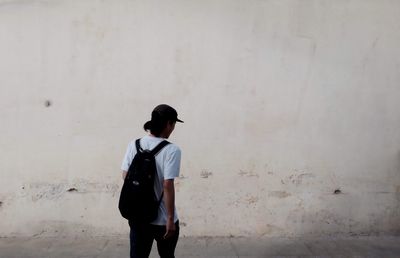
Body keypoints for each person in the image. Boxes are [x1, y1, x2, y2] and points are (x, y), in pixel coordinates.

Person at [121, 104, 183, 258]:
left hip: (138, 216)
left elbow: (125, 176)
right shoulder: (172, 150)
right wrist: (170, 219)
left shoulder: (134, 144)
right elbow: (167, 185)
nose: (173, 128)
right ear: (169, 123)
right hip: (162, 220)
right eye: (174, 124)